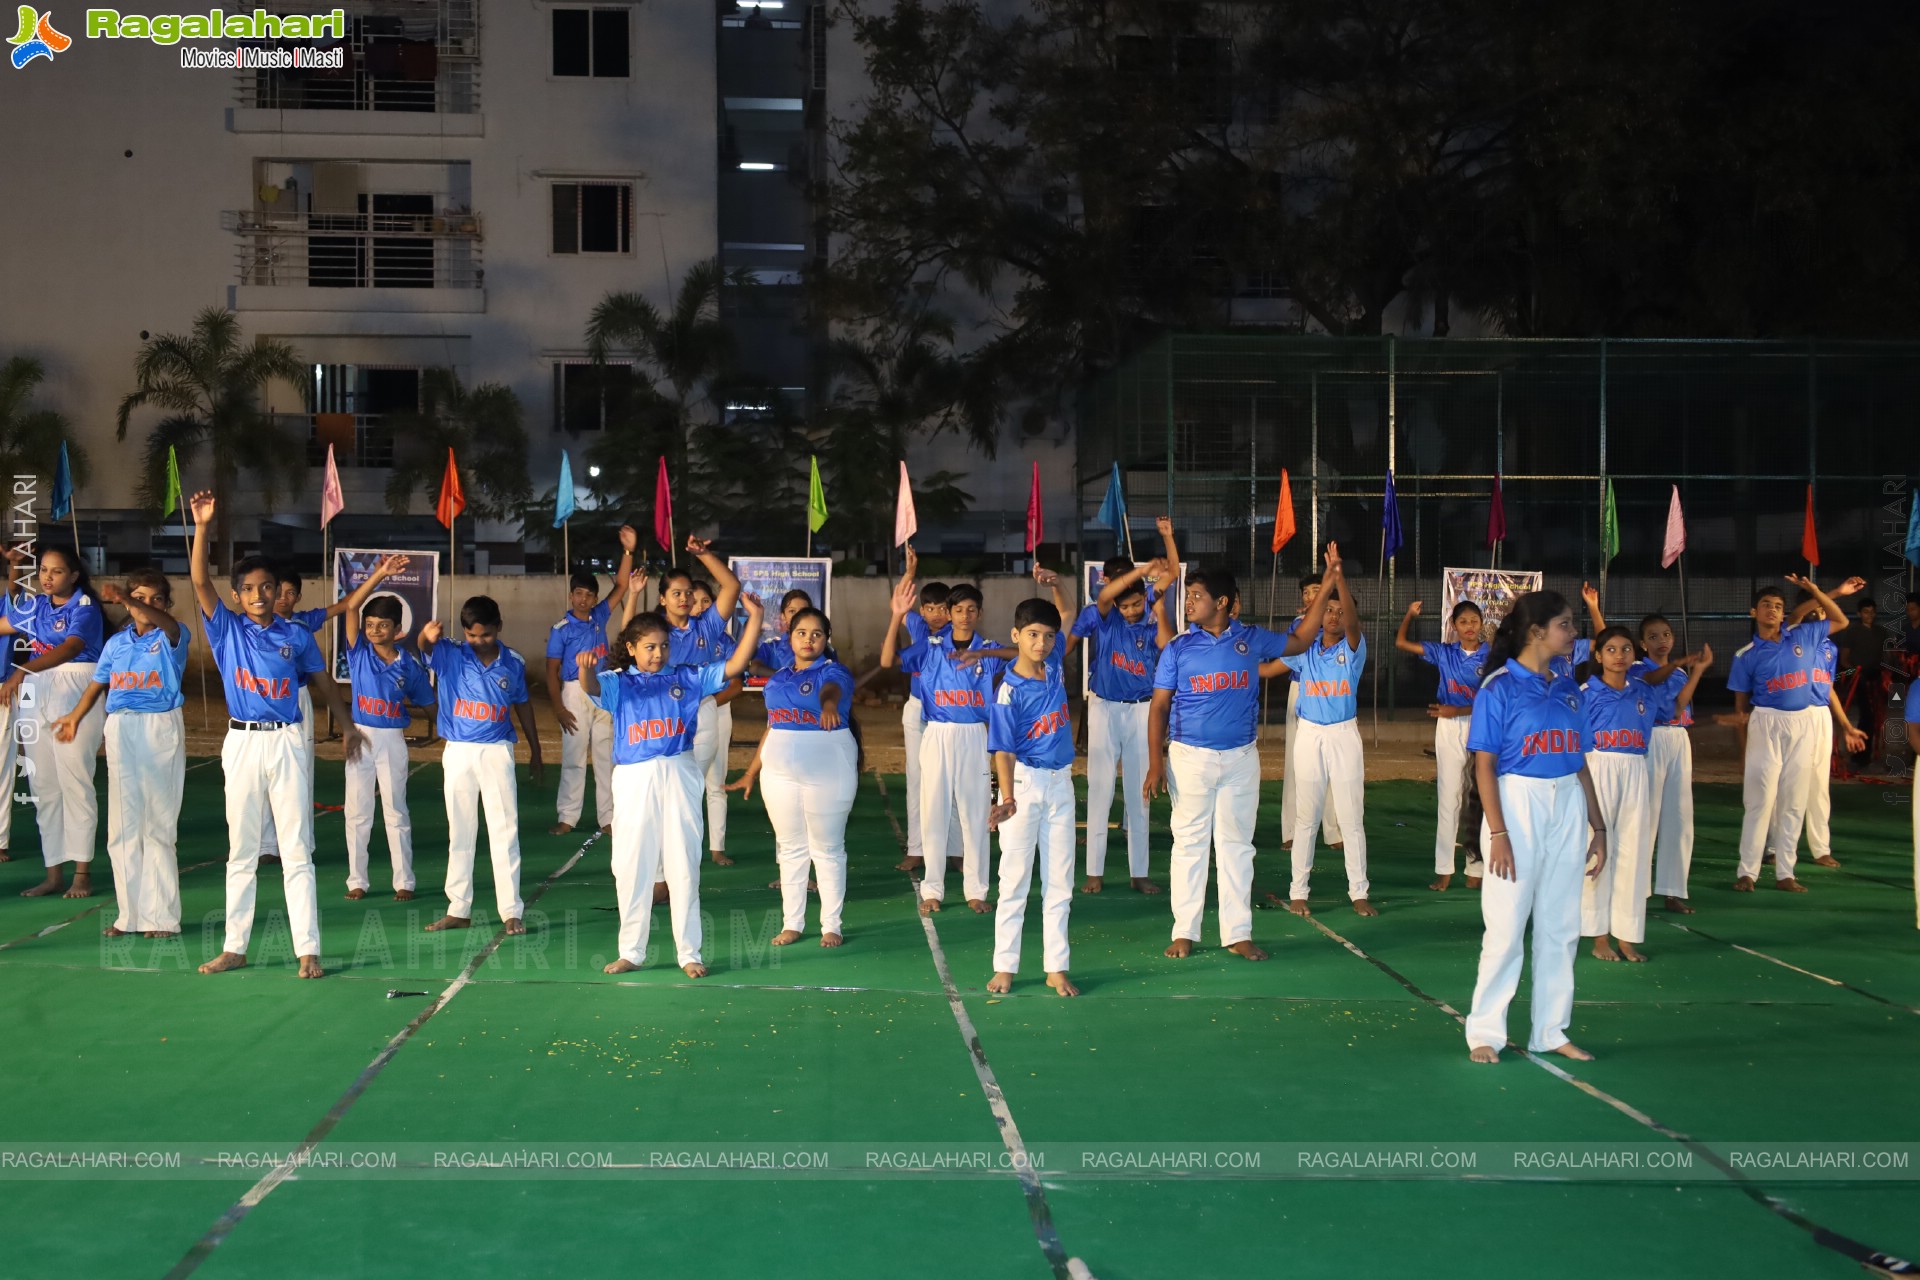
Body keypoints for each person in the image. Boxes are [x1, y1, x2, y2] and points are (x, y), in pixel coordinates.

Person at [186, 493, 364, 978]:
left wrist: (346, 724)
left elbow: (321, 680)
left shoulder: (297, 635)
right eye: (249, 589)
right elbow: (200, 579)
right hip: (242, 742)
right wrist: (203, 526)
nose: (260, 595)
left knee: (296, 846)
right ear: (238, 596)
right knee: (242, 848)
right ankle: (234, 947)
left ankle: (308, 948)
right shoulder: (225, 630)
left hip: (287, 740)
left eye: (267, 587)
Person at [1145, 551, 1336, 960]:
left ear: (1223, 602)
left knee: (1236, 845)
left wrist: (1330, 584)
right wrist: (1155, 762)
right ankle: (1185, 931)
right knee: (1189, 844)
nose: (1190, 602)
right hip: (1189, 758)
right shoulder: (1179, 648)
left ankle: (1237, 933)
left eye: (1196, 595)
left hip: (1240, 759)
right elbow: (1159, 706)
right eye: (1188, 595)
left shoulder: (1252, 639)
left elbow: (1302, 639)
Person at [1463, 590, 1608, 1064]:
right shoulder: (1499, 687)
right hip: (1516, 804)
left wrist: (1598, 826)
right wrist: (1498, 834)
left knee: (1561, 924)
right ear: (1536, 632)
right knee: (1506, 926)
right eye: (1565, 624)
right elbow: (1483, 765)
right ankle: (1485, 1031)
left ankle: (1551, 1030)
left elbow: (1580, 761)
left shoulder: (1568, 687)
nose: (1573, 633)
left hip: (1566, 801)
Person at [583, 596, 763, 977]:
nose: (658, 653)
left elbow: (735, 665)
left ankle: (689, 952)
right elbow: (592, 689)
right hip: (634, 776)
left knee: (683, 861)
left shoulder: (686, 676)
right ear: (631, 649)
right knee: (631, 863)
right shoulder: (619, 682)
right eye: (649, 647)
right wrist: (584, 671)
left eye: (663, 645)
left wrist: (756, 618)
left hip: (679, 769)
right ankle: (631, 950)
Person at [50, 570, 189, 938]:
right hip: (121, 727)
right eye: (139, 596)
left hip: (159, 726)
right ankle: (130, 916)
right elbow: (98, 685)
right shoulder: (117, 644)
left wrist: (129, 600)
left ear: (165, 605)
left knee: (157, 825)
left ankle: (162, 918)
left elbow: (167, 624)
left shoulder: (172, 635)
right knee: (123, 827)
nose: (147, 604)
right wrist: (74, 719)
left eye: (155, 598)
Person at [728, 606, 858, 947]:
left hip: (828, 766)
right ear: (790, 637)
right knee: (790, 848)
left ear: (826, 640)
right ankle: (793, 923)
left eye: (817, 634)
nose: (809, 640)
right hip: (779, 771)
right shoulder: (778, 678)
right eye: (802, 633)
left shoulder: (835, 672)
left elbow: (832, 690)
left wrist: (829, 706)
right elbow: (771, 726)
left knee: (827, 848)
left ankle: (832, 924)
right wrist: (752, 771)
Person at [1578, 626, 1709, 963]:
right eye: (1611, 650)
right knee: (1597, 851)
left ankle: (1627, 935)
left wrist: (1698, 672)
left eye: (1625, 650)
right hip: (1598, 769)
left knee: (1634, 855)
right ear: (1598, 655)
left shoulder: (1643, 691)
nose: (1619, 656)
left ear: (1633, 655)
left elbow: (1676, 709)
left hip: (1637, 770)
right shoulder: (1585, 693)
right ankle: (1598, 936)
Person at [420, 596, 543, 935]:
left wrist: (535, 749)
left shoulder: (513, 662)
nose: (479, 642)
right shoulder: (449, 653)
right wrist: (425, 636)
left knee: (505, 831)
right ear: (464, 631)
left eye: (486, 635)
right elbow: (422, 648)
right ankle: (458, 907)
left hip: (497, 751)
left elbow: (523, 705)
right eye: (473, 636)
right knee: (460, 830)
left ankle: (511, 910)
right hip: (458, 750)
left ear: (498, 628)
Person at [1727, 576, 1853, 893]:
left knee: (1794, 801)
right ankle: (1748, 872)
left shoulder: (1805, 635)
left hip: (1802, 725)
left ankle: (1786, 872)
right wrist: (1743, 752)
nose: (1773, 610)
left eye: (1779, 606)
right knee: (1759, 801)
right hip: (1765, 723)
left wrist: (1818, 591)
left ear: (1785, 614)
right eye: (1766, 605)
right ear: (1753, 612)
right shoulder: (1745, 655)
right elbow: (1741, 712)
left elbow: (1840, 619)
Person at [883, 576, 999, 914]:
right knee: (933, 810)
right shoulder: (931, 646)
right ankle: (932, 889)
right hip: (936, 733)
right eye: (958, 609)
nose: (964, 615)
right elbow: (889, 659)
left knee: (975, 812)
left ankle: (976, 889)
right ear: (949, 612)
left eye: (971, 610)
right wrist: (895, 616)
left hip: (975, 734)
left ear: (979, 613)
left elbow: (1022, 654)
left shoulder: (988, 649)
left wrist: (987, 650)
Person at [985, 597, 1079, 997]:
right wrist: (1007, 797)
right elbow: (1002, 750)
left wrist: (1056, 586)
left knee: (1060, 883)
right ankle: (1005, 965)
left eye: (1048, 636)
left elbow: (1070, 613)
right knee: (1015, 880)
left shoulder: (1055, 666)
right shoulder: (1008, 690)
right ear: (1016, 637)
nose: (1041, 643)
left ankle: (1056, 967)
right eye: (1032, 635)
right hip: (1024, 786)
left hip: (1062, 784)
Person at [1269, 557, 1374, 916]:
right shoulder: (1304, 651)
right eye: (1326, 610)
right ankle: (1299, 891)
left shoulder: (1353, 649)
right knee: (1305, 818)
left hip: (1343, 736)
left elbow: (1354, 622)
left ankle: (1359, 891)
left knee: (1350, 817)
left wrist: (1338, 579)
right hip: (1309, 735)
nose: (1333, 616)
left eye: (1339, 610)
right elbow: (1268, 668)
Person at [0, 543, 105, 897]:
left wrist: (22, 670)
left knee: (75, 779)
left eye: (56, 571)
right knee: (42, 783)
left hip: (75, 682)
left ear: (74, 575)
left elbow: (71, 647)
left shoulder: (85, 607)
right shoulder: (37, 606)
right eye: (43, 569)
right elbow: (4, 625)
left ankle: (81, 873)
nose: (47, 577)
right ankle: (53, 874)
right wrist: (26, 674)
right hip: (35, 687)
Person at [1072, 553, 1176, 895]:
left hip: (1143, 711)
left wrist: (1157, 606)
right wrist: (1144, 569)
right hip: (1104, 707)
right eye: (1125, 605)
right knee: (1100, 789)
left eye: (1136, 604)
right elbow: (1102, 597)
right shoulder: (1107, 619)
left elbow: (1167, 643)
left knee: (1139, 793)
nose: (1131, 610)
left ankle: (1139, 872)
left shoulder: (1152, 619)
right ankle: (1094, 872)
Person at [341, 556, 437, 901]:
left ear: (397, 630)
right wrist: (380, 573)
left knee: (396, 809)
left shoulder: (408, 665)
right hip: (360, 736)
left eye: (383, 625)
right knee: (357, 810)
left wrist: (448, 724)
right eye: (370, 624)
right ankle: (357, 880)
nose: (374, 630)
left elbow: (428, 703)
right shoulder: (358, 653)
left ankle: (404, 881)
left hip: (392, 740)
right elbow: (351, 606)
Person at [545, 526, 639, 837]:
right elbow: (551, 670)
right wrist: (558, 707)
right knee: (573, 756)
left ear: (595, 597)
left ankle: (608, 818)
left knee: (605, 755)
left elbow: (623, 585)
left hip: (603, 689)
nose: (584, 599)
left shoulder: (599, 616)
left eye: (589, 594)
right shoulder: (562, 628)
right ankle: (567, 817)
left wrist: (627, 552)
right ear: (571, 595)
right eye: (579, 594)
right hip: (574, 693)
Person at [1395, 599, 1487, 891]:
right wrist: (1409, 614)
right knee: (1449, 799)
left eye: (1474, 621)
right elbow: (1401, 642)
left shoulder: (1493, 656)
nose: (1469, 627)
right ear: (1453, 626)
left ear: (1482, 623)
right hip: (1448, 729)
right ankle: (1444, 870)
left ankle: (1478, 867)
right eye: (1463, 622)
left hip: (1482, 727)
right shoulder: (1444, 652)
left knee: (1479, 799)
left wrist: (1457, 711)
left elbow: (1491, 700)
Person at [889, 551, 956, 874]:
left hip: (947, 714)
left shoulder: (958, 635)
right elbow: (900, 602)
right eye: (929, 608)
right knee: (917, 779)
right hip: (917, 712)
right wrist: (911, 570)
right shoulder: (917, 626)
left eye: (943, 609)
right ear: (922, 610)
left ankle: (954, 849)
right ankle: (917, 849)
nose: (936, 614)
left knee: (951, 780)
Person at [1279, 572, 1343, 853]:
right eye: (1305, 592)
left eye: (1315, 590)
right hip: (1301, 689)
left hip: (1332, 694)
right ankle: (1292, 830)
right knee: (1296, 762)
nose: (1308, 596)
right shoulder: (1299, 624)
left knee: (1332, 763)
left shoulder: (1336, 623)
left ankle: (1333, 830)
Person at [689, 578, 746, 867]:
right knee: (689, 783)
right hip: (688, 715)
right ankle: (689, 847)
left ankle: (717, 847)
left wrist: (709, 703)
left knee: (716, 780)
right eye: (694, 601)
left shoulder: (725, 642)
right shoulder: (683, 638)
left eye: (705, 602)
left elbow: (736, 685)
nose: (699, 607)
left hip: (717, 713)